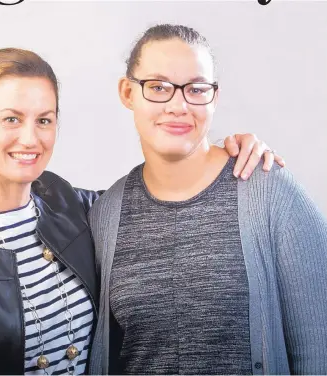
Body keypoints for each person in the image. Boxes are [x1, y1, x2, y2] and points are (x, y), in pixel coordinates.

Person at [0, 47, 285, 375]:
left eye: (44, 120)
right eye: (11, 118)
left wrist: (224, 153)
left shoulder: (72, 205)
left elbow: (158, 197)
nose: (30, 137)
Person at [88, 24, 327, 375]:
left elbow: (319, 348)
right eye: (158, 87)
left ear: (214, 97)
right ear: (128, 92)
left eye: (196, 89)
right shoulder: (105, 215)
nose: (178, 105)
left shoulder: (268, 192)